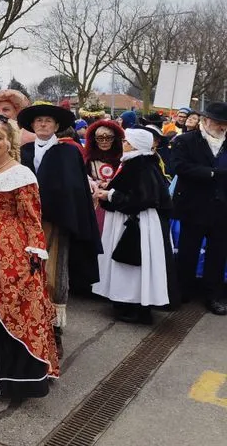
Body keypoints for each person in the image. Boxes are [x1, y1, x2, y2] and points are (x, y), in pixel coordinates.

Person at [0, 116, 59, 398]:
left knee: (13, 309)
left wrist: (34, 252)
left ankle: (16, 379)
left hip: (11, 251)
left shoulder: (21, 174)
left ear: (10, 141)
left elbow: (33, 219)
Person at [18, 104, 101, 357]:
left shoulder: (67, 152)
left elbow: (75, 190)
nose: (43, 125)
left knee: (54, 276)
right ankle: (28, 324)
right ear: (32, 126)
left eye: (48, 121)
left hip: (57, 225)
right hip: (26, 225)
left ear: (56, 126)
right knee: (27, 274)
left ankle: (54, 330)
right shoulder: (23, 151)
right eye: (39, 121)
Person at [92, 128, 178, 324]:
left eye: (126, 141)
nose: (123, 144)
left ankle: (135, 306)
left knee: (132, 266)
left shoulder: (141, 164)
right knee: (129, 263)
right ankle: (126, 303)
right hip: (129, 220)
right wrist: (111, 188)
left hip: (136, 222)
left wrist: (111, 195)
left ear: (134, 144)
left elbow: (144, 198)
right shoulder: (137, 161)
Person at [169, 103, 227, 315]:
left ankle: (213, 294)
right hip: (193, 206)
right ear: (205, 120)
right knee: (187, 250)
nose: (222, 127)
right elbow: (177, 166)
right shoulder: (185, 141)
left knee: (218, 254)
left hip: (222, 208)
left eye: (225, 124)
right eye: (218, 122)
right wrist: (212, 173)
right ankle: (184, 290)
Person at [84, 120, 125, 234]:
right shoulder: (89, 159)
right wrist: (94, 184)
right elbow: (84, 177)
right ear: (94, 140)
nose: (104, 142)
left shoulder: (122, 159)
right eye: (100, 139)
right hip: (96, 200)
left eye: (108, 139)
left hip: (115, 200)